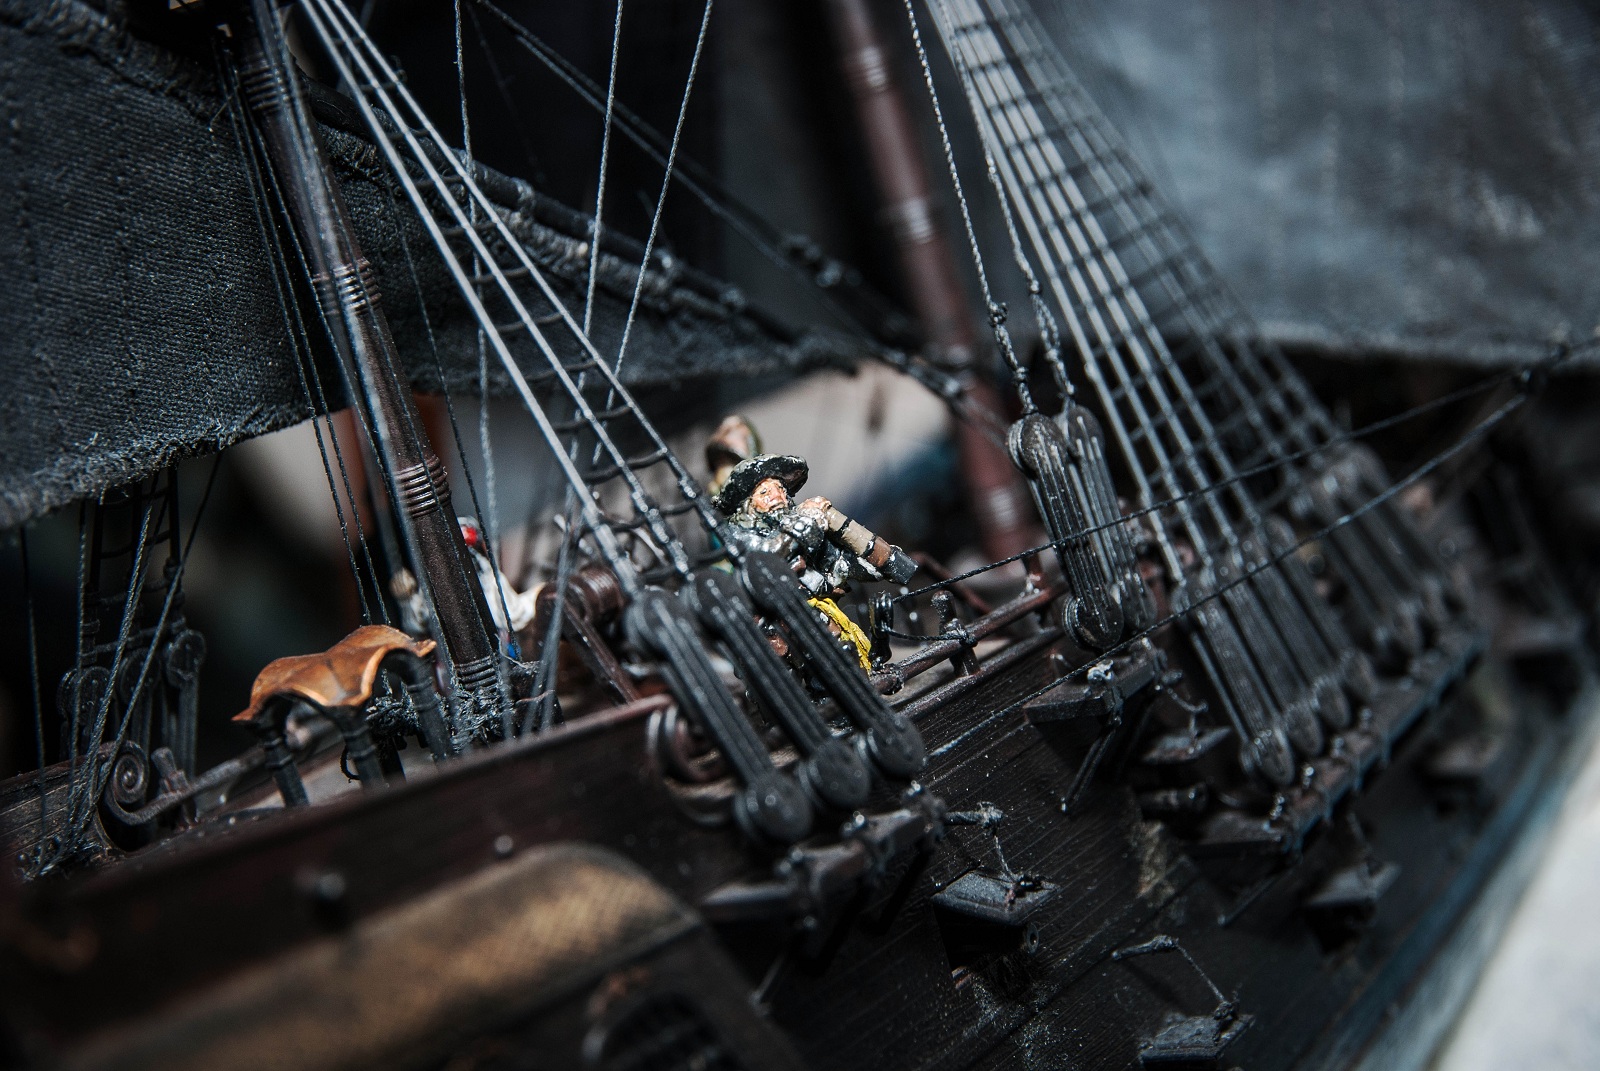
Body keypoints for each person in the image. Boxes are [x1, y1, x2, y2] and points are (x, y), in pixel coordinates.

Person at [713, 453, 916, 669]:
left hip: (815, 611)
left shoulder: (796, 523)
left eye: (780, 488)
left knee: (844, 644)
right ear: (748, 505)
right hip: (779, 623)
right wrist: (805, 522)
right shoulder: (742, 537)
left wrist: (881, 561)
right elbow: (768, 557)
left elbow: (837, 562)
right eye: (764, 492)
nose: (777, 496)